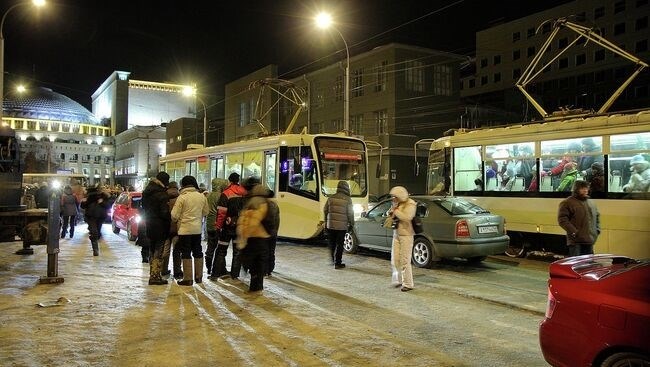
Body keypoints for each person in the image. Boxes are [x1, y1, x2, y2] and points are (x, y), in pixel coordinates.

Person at [236, 183, 275, 293]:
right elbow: (255, 221)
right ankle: (257, 286)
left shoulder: (249, 203)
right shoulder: (264, 203)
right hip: (261, 237)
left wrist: (243, 235)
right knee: (259, 263)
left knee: (253, 262)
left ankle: (254, 284)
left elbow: (242, 221)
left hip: (250, 238)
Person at [171, 175, 209, 286]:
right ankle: (199, 277)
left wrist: (180, 219)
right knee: (198, 251)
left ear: (183, 184)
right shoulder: (201, 197)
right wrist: (197, 217)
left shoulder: (182, 197)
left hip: (184, 230)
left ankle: (188, 279)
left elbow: (174, 215)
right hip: (197, 230)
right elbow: (206, 212)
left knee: (186, 252)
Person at [211, 172, 247, 279]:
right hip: (240, 226)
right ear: (238, 180)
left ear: (229, 181)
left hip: (227, 226)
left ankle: (215, 274)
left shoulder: (226, 193)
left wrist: (218, 226)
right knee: (237, 251)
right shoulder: (244, 193)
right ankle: (234, 275)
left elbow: (222, 213)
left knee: (221, 250)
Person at [141, 172, 171, 285]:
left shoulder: (147, 191)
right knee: (159, 250)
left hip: (149, 224)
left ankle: (152, 274)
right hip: (160, 226)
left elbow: (143, 207)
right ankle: (155, 276)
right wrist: (170, 218)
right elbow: (164, 213)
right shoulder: (162, 194)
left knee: (152, 249)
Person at [558, 180, 600, 257]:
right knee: (576, 264)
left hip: (589, 239)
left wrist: (597, 230)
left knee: (588, 264)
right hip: (576, 241)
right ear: (576, 189)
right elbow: (562, 220)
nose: (585, 190)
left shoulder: (591, 202)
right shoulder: (567, 202)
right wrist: (574, 232)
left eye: (586, 188)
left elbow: (597, 217)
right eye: (582, 188)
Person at [387, 186, 417, 292]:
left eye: (395, 196)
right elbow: (391, 213)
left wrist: (396, 211)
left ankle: (408, 284)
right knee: (395, 259)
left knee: (405, 260)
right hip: (396, 234)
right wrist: (391, 212)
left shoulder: (410, 203)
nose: (393, 198)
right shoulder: (397, 204)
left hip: (406, 235)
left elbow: (407, 217)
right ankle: (398, 280)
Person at [323, 181, 355, 269]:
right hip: (341, 226)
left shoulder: (331, 198)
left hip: (331, 225)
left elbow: (325, 210)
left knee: (332, 243)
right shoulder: (348, 199)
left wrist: (326, 221)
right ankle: (338, 263)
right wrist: (352, 223)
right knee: (339, 244)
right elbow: (350, 213)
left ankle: (333, 259)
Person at [205, 177, 229, 276]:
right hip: (218, 224)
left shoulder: (208, 195)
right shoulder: (221, 196)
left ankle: (209, 268)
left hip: (209, 224)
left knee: (210, 247)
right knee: (220, 249)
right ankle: (219, 269)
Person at [81, 185, 110, 256]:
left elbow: (108, 206)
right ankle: (95, 249)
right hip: (91, 217)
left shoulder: (104, 197)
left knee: (98, 233)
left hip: (100, 217)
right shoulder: (90, 197)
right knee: (94, 232)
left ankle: (95, 245)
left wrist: (102, 202)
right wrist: (84, 202)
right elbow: (83, 206)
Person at [161, 181, 180, 277]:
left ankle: (163, 269)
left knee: (165, 250)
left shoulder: (164, 197)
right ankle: (177, 271)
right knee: (176, 250)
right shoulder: (180, 198)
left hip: (166, 228)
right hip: (177, 228)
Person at [265, 189, 280, 276]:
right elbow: (277, 220)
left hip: (266, 232)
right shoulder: (275, 205)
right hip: (274, 232)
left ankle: (265, 269)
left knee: (265, 251)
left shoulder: (265, 205)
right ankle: (270, 268)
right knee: (271, 251)